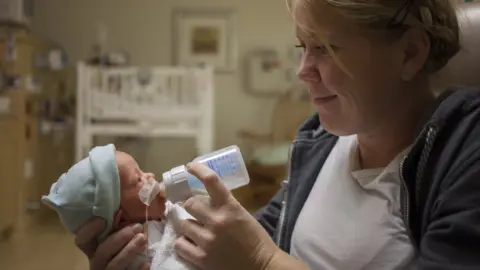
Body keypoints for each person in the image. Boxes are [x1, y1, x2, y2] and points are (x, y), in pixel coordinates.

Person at [74, 0, 480, 269]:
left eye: (324, 47)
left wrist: (260, 260)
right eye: (302, 46)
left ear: (409, 53)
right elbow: (267, 229)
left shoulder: (465, 151)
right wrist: (151, 248)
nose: (302, 71)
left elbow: (259, 250)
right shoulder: (319, 140)